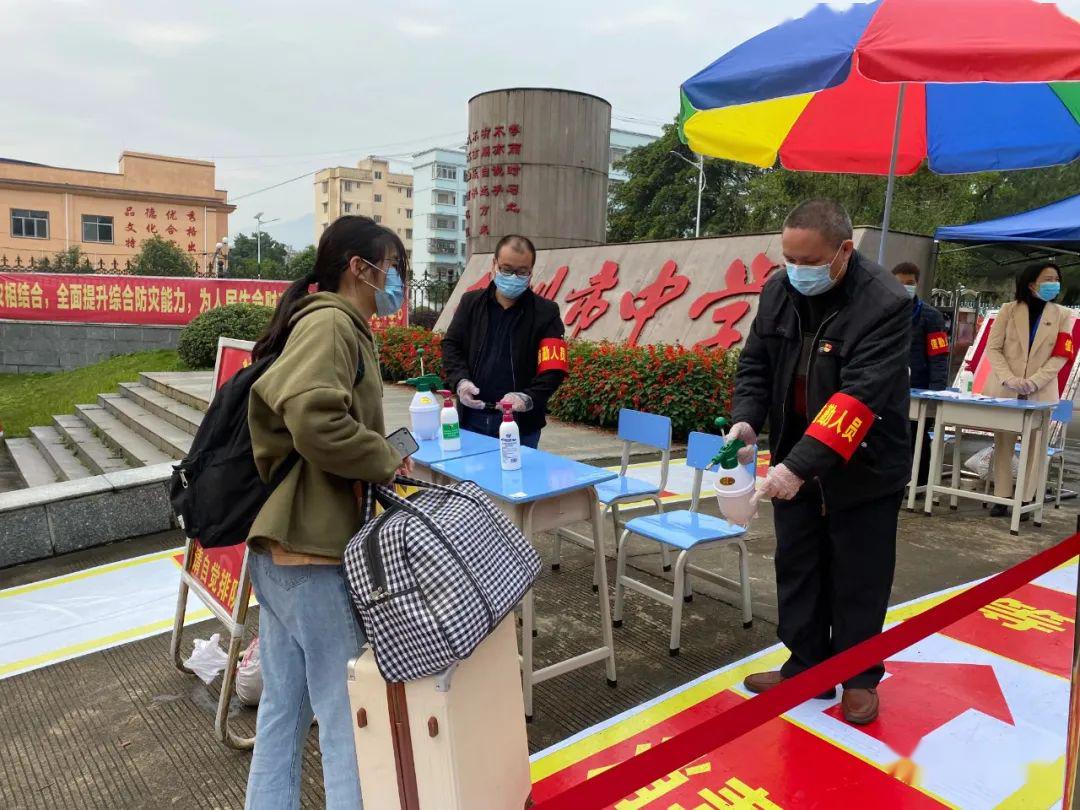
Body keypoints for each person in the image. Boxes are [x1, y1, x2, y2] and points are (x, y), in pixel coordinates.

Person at [244, 215, 413, 809]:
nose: (399, 282)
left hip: (284, 551)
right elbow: (315, 419)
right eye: (394, 268)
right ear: (359, 268)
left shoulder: (328, 324)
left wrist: (376, 452)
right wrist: (384, 459)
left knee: (283, 713)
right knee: (347, 723)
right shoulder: (332, 325)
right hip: (313, 556)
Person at [728, 199, 911, 725]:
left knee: (860, 571)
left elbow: (860, 397)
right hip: (796, 452)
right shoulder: (778, 290)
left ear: (843, 252)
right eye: (788, 258)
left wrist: (798, 465)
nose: (796, 271)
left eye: (808, 261)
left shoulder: (885, 304)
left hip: (866, 462)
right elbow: (756, 365)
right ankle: (806, 666)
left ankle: (857, 676)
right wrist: (745, 420)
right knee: (799, 563)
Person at [442, 234, 569, 448]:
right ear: (494, 265)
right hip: (473, 418)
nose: (513, 277)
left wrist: (527, 398)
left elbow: (553, 369)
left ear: (530, 272)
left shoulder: (546, 313)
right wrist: (460, 382)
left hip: (521, 425)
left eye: (521, 272)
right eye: (507, 269)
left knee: (516, 479)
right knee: (469, 480)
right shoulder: (471, 303)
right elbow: (451, 345)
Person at [984, 262, 1073, 518]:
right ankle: (1002, 496)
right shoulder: (1008, 310)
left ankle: (1025, 499)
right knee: (1003, 441)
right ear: (1032, 283)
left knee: (1035, 446)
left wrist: (1035, 381)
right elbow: (994, 348)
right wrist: (1008, 378)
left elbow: (1061, 354)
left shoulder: (1063, 315)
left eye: (1056, 278)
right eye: (1048, 278)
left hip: (1041, 390)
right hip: (1006, 388)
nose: (1053, 283)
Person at [892, 261, 949, 485]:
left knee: (917, 437)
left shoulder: (931, 316)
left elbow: (939, 356)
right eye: (900, 283)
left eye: (910, 283)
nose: (905, 287)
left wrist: (936, 392)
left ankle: (920, 482)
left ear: (917, 284)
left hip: (921, 388)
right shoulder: (885, 311)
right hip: (892, 386)